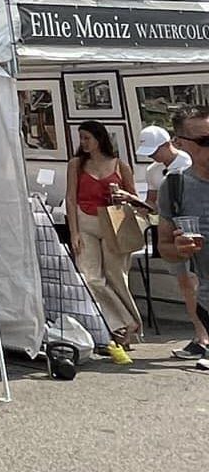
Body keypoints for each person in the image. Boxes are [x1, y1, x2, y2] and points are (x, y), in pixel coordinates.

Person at [65, 120, 141, 364]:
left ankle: (128, 325)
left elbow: (135, 200)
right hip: (86, 221)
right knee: (90, 277)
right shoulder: (77, 164)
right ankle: (122, 323)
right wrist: (74, 232)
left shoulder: (120, 165)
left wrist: (124, 196)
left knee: (116, 275)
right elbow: (70, 198)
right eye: (81, 138)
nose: (83, 143)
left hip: (113, 221)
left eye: (87, 138)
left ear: (99, 138)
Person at [137, 125, 206, 359]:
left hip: (192, 233)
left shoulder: (188, 163)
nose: (153, 156)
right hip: (172, 232)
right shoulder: (154, 171)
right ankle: (201, 336)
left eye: (155, 150)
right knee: (186, 285)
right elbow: (154, 203)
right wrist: (135, 203)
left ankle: (202, 336)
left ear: (168, 144)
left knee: (195, 283)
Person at [157, 107, 209, 371]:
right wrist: (178, 249)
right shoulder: (175, 186)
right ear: (180, 143)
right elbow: (164, 247)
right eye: (204, 141)